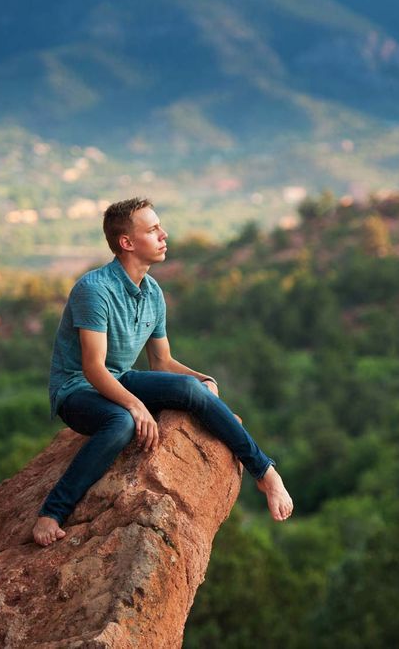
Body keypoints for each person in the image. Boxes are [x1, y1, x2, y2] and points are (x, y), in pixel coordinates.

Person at [33, 197, 293, 546]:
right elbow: (93, 368)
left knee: (190, 390)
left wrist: (203, 380)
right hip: (77, 389)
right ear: (127, 243)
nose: (164, 234)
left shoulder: (152, 292)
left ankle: (265, 472)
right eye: (153, 229)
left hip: (120, 378)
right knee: (122, 422)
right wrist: (135, 406)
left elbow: (162, 362)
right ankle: (52, 511)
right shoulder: (93, 290)